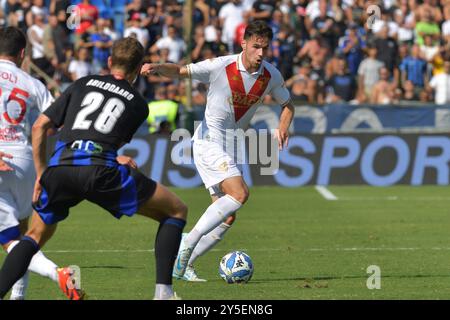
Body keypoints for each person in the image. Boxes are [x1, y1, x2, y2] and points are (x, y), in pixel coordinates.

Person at [0, 37, 188, 300]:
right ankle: (164, 294)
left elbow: (39, 127)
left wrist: (42, 173)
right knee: (177, 211)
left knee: (32, 237)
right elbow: (107, 139)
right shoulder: (138, 104)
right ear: (136, 70)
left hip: (61, 167)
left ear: (110, 61)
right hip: (100, 171)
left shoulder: (81, 83)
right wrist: (115, 157)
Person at [142, 20, 294, 281]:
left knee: (227, 217)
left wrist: (282, 127)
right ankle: (186, 245)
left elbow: (288, 104)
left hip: (233, 145)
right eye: (256, 47)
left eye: (265, 48)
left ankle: (183, 265)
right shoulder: (219, 66)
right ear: (243, 44)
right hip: (209, 141)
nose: (260, 53)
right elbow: (180, 71)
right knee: (240, 193)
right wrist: (157, 68)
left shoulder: (271, 76)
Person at [0, 26, 75, 300]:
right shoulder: (33, 83)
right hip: (24, 160)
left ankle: (59, 274)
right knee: (24, 236)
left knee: (10, 241)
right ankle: (18, 297)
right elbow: (55, 123)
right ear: (22, 53)